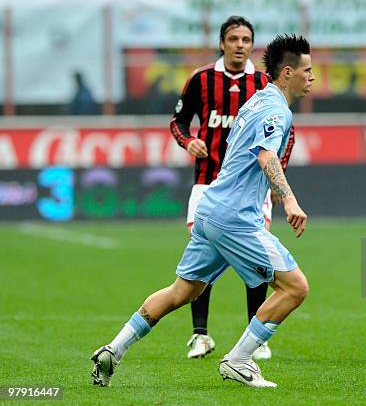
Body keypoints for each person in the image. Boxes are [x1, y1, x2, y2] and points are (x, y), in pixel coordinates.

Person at [91, 33, 314, 388]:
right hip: (235, 218)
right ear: (287, 73)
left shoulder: (255, 102)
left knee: (183, 291)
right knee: (295, 288)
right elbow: (267, 155)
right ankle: (239, 360)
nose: (312, 78)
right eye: (307, 70)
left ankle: (112, 350)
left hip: (210, 208)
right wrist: (288, 198)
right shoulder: (276, 110)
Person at [170, 16, 294, 361]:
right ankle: (200, 334)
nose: (240, 44)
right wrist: (189, 141)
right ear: (222, 43)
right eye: (234, 38)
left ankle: (256, 336)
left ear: (252, 45)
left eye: (246, 39)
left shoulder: (263, 83)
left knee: (256, 259)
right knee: (202, 260)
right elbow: (178, 121)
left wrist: (274, 177)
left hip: (251, 189)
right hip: (207, 180)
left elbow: (286, 136)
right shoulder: (202, 79)